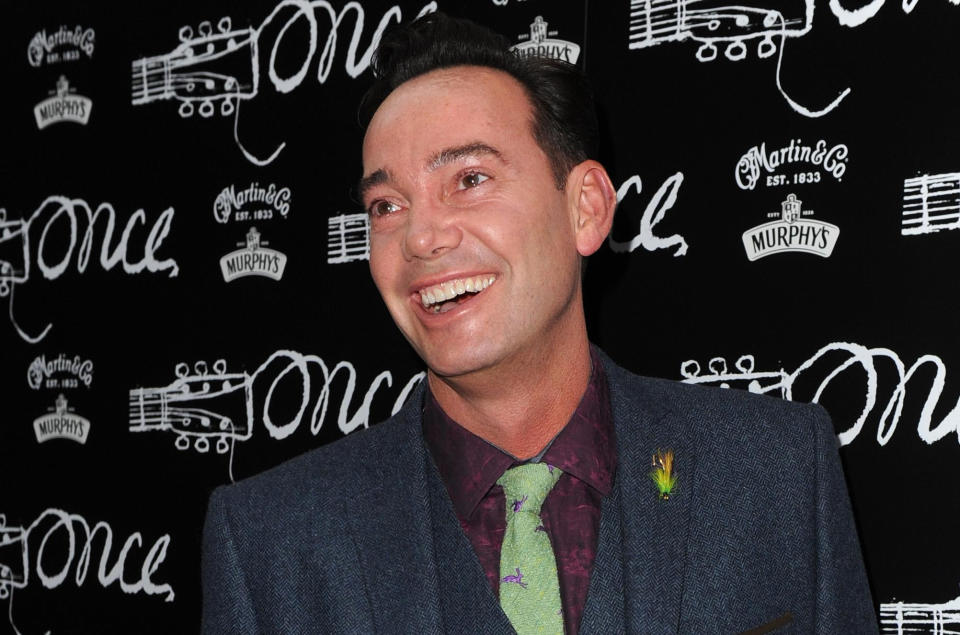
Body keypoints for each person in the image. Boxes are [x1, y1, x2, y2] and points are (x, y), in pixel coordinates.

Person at [202, 12, 877, 634]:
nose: (421, 237)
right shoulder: (270, 540)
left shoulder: (776, 471)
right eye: (386, 205)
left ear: (585, 207)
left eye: (469, 178)